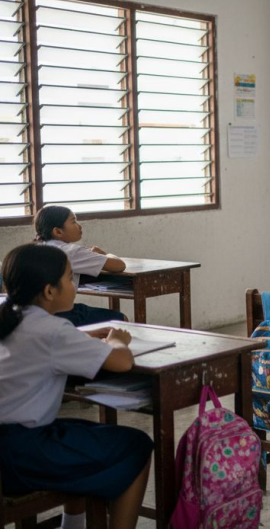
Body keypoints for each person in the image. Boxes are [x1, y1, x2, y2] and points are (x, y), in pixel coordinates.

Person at [0, 244, 152, 529]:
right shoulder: (54, 332)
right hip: (22, 453)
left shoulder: (10, 316)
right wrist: (117, 339)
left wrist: (80, 336)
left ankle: (72, 525)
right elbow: (121, 362)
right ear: (49, 291)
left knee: (81, 434)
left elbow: (43, 342)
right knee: (136, 445)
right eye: (70, 278)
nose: (74, 285)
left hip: (11, 446)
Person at [34, 205, 127, 326]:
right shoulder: (70, 251)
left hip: (36, 311)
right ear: (57, 231)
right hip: (59, 313)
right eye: (73, 221)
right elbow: (119, 266)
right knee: (121, 320)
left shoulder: (37, 247)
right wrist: (106, 254)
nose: (79, 225)